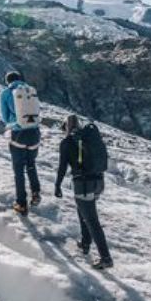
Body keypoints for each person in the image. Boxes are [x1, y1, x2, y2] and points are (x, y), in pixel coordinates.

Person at [54, 115, 113, 270]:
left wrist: (57, 185)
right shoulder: (87, 137)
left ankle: (106, 258)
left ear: (65, 127)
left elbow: (62, 167)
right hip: (99, 182)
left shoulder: (67, 143)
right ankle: (85, 243)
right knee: (83, 211)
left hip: (83, 184)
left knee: (92, 220)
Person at [0, 71, 41, 215]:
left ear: (7, 81)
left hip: (19, 135)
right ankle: (35, 192)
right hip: (35, 134)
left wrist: (13, 121)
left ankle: (21, 203)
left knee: (18, 170)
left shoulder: (6, 93)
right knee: (31, 164)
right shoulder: (30, 90)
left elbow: (5, 118)